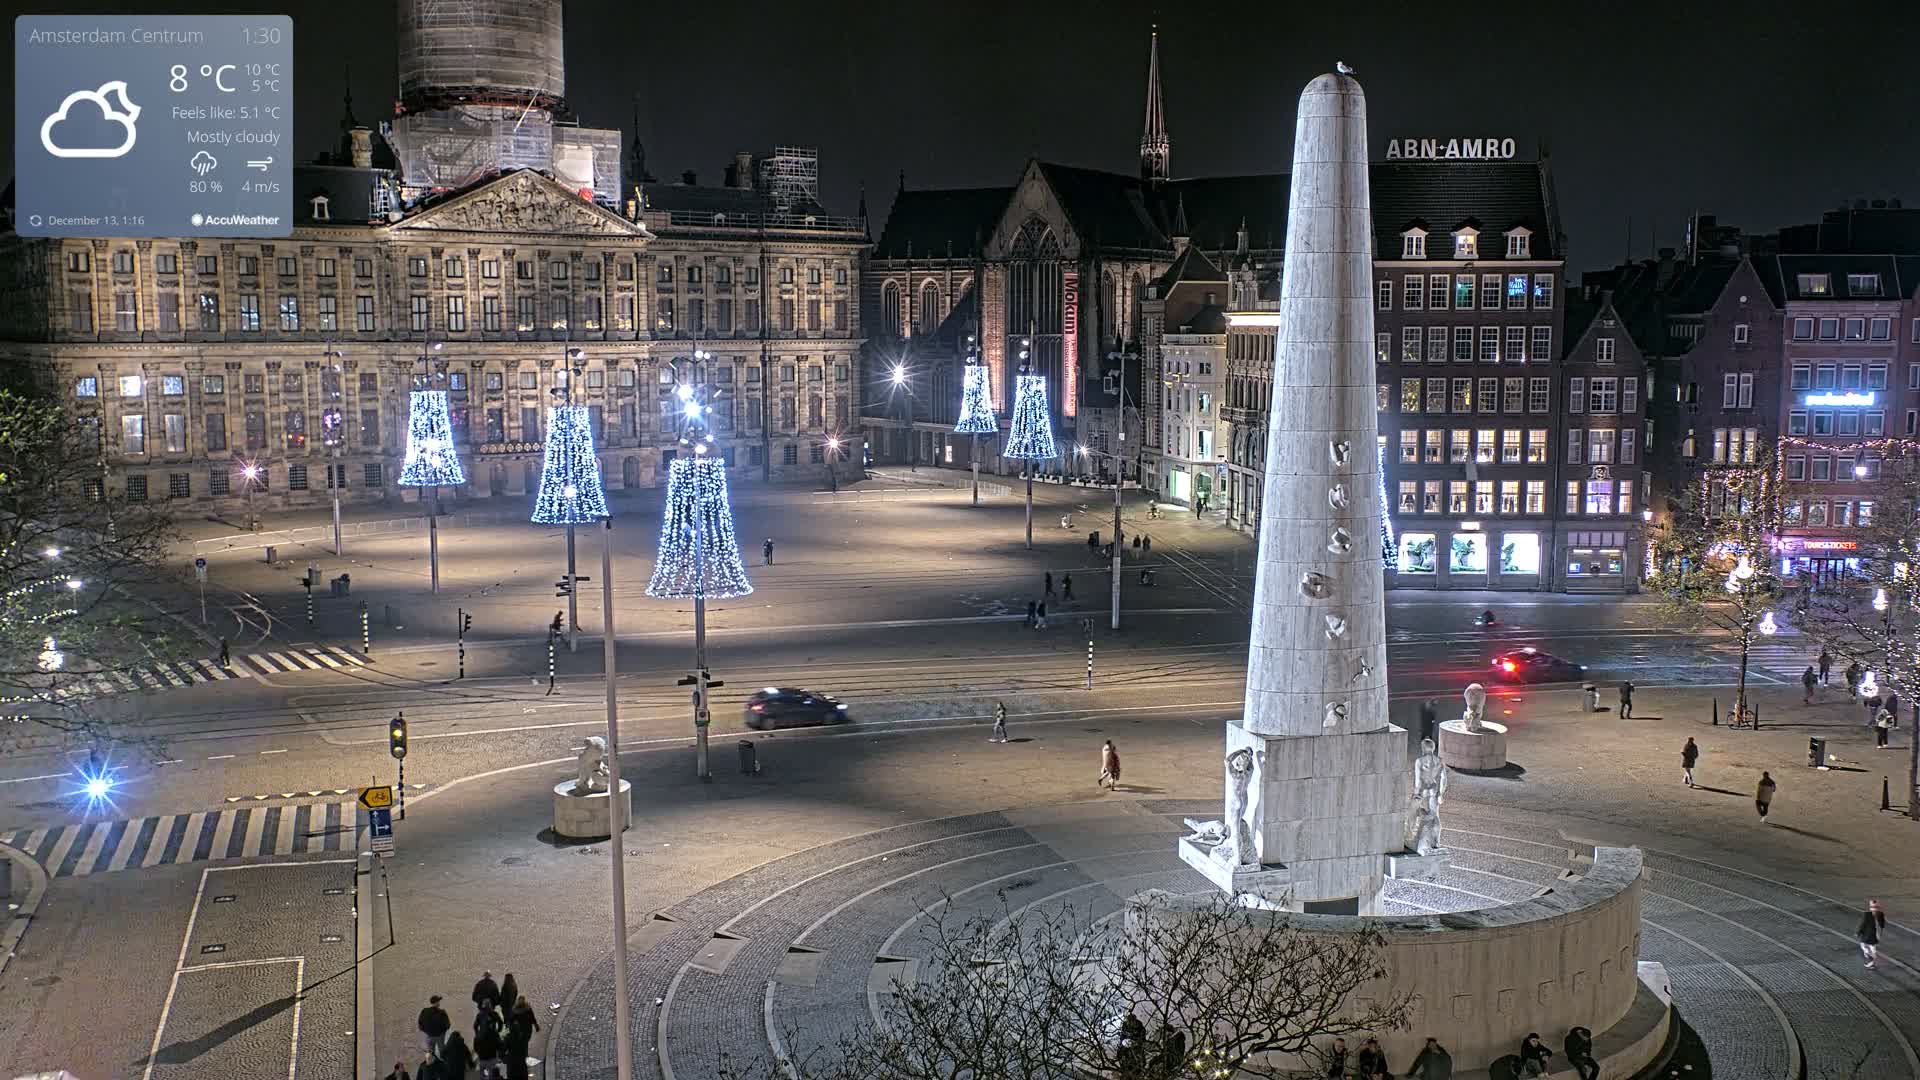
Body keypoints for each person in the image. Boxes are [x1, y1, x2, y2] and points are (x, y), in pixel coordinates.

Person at [1860, 899, 1887, 968]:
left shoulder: (1867, 914)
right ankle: (1872, 961)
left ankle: (1871, 960)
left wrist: (1858, 932)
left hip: (1870, 935)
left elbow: (1863, 924)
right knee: (1872, 948)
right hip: (1876, 934)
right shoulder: (1880, 914)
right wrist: (1880, 933)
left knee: (1864, 946)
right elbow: (1882, 925)